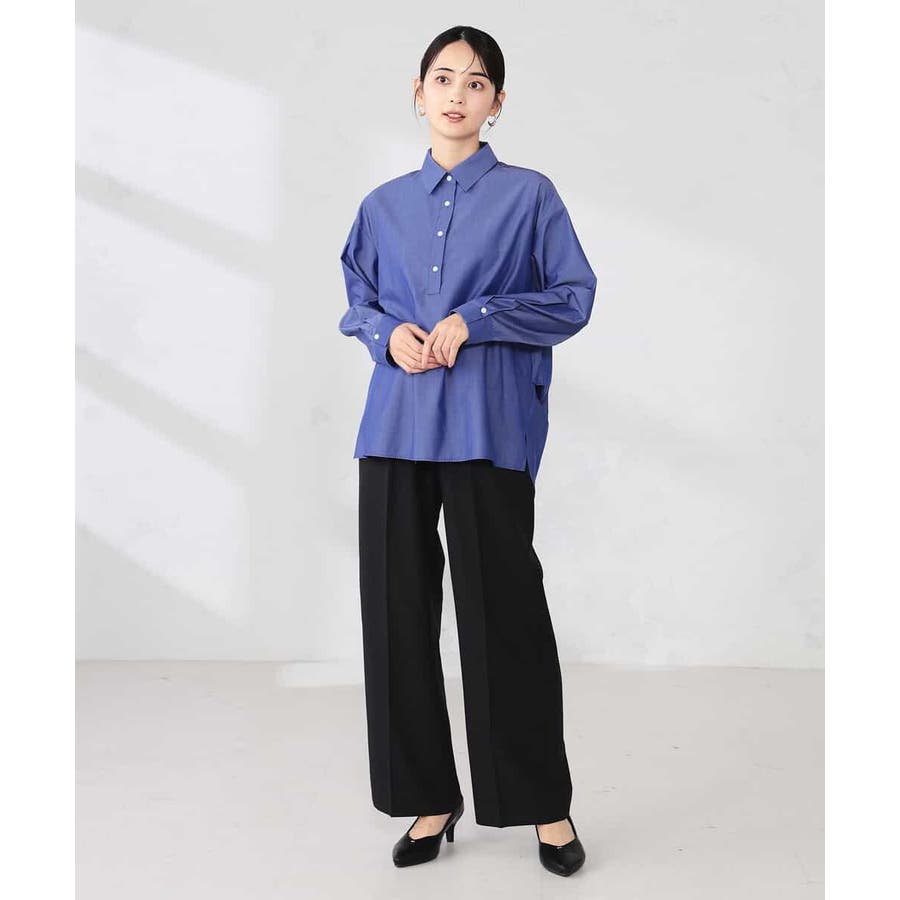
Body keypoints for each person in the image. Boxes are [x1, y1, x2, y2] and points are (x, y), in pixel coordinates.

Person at [338, 25, 596, 877]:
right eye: (443, 78)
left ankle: (542, 804)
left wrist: (475, 319)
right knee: (396, 617)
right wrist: (386, 334)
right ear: (418, 92)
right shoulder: (382, 206)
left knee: (504, 617)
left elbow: (573, 297)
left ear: (497, 102)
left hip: (487, 429)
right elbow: (358, 300)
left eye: (476, 82)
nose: (457, 94)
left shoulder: (529, 197)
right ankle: (429, 797)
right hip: (394, 431)